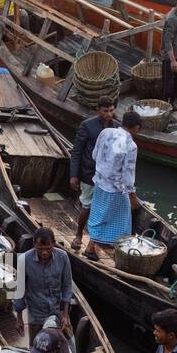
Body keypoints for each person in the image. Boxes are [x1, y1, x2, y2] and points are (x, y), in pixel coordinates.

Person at [85, 111, 141, 258]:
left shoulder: (106, 132)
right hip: (115, 189)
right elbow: (128, 174)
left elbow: (94, 155)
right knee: (122, 221)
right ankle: (97, 248)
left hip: (100, 182)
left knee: (99, 215)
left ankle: (96, 245)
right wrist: (133, 196)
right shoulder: (131, 145)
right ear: (136, 128)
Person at [68, 97, 116, 252]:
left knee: (104, 207)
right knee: (87, 205)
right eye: (105, 111)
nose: (109, 114)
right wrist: (74, 175)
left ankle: (99, 238)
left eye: (111, 110)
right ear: (98, 110)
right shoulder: (87, 126)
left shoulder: (116, 127)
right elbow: (77, 152)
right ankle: (79, 234)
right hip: (89, 173)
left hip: (107, 176)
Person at [13, 227, 73, 340]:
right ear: (34, 244)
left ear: (54, 244)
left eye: (48, 248)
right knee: (36, 345)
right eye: (40, 249)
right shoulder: (23, 260)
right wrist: (19, 318)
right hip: (36, 313)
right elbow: (19, 290)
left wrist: (65, 315)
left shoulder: (63, 257)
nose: (44, 252)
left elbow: (67, 286)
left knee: (63, 343)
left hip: (57, 311)